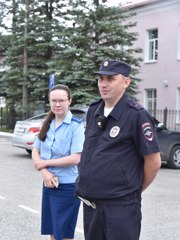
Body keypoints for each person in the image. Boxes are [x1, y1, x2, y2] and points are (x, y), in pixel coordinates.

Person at [75, 59, 161, 240]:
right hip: (91, 205)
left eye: (111, 79)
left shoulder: (136, 115)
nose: (103, 84)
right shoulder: (94, 111)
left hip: (120, 209)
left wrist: (131, 191)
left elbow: (153, 162)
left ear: (126, 82)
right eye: (101, 79)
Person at [32, 84, 85, 240]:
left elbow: (76, 158)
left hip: (67, 188)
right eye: (53, 100)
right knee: (53, 232)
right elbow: (36, 150)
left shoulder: (76, 126)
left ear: (69, 101)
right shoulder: (46, 124)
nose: (57, 104)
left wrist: (45, 164)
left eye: (61, 100)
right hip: (48, 185)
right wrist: (45, 172)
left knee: (64, 234)